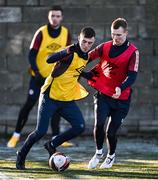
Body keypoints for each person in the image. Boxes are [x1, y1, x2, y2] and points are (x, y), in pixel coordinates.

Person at [16, 27, 96, 170]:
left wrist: (88, 75)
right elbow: (49, 59)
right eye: (84, 41)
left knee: (80, 127)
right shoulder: (70, 52)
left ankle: (51, 144)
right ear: (79, 39)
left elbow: (75, 69)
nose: (86, 45)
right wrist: (65, 50)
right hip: (50, 96)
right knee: (40, 132)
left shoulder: (85, 56)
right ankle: (21, 154)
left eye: (90, 43)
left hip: (66, 99)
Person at [7, 5, 72, 148]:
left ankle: (56, 136)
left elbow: (69, 55)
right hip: (38, 78)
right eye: (52, 16)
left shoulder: (66, 33)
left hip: (54, 79)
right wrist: (37, 73)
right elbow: (31, 54)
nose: (55, 19)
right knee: (29, 104)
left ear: (61, 18)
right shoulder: (41, 33)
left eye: (58, 16)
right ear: (49, 17)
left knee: (56, 107)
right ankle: (16, 135)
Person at [85, 18, 139, 169]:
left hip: (121, 98)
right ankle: (98, 153)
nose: (116, 38)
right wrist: (71, 58)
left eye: (119, 35)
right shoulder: (104, 47)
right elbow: (87, 57)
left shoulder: (133, 52)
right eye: (113, 34)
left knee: (111, 132)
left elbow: (132, 76)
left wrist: (121, 87)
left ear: (126, 33)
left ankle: (111, 156)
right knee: (99, 124)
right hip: (103, 94)